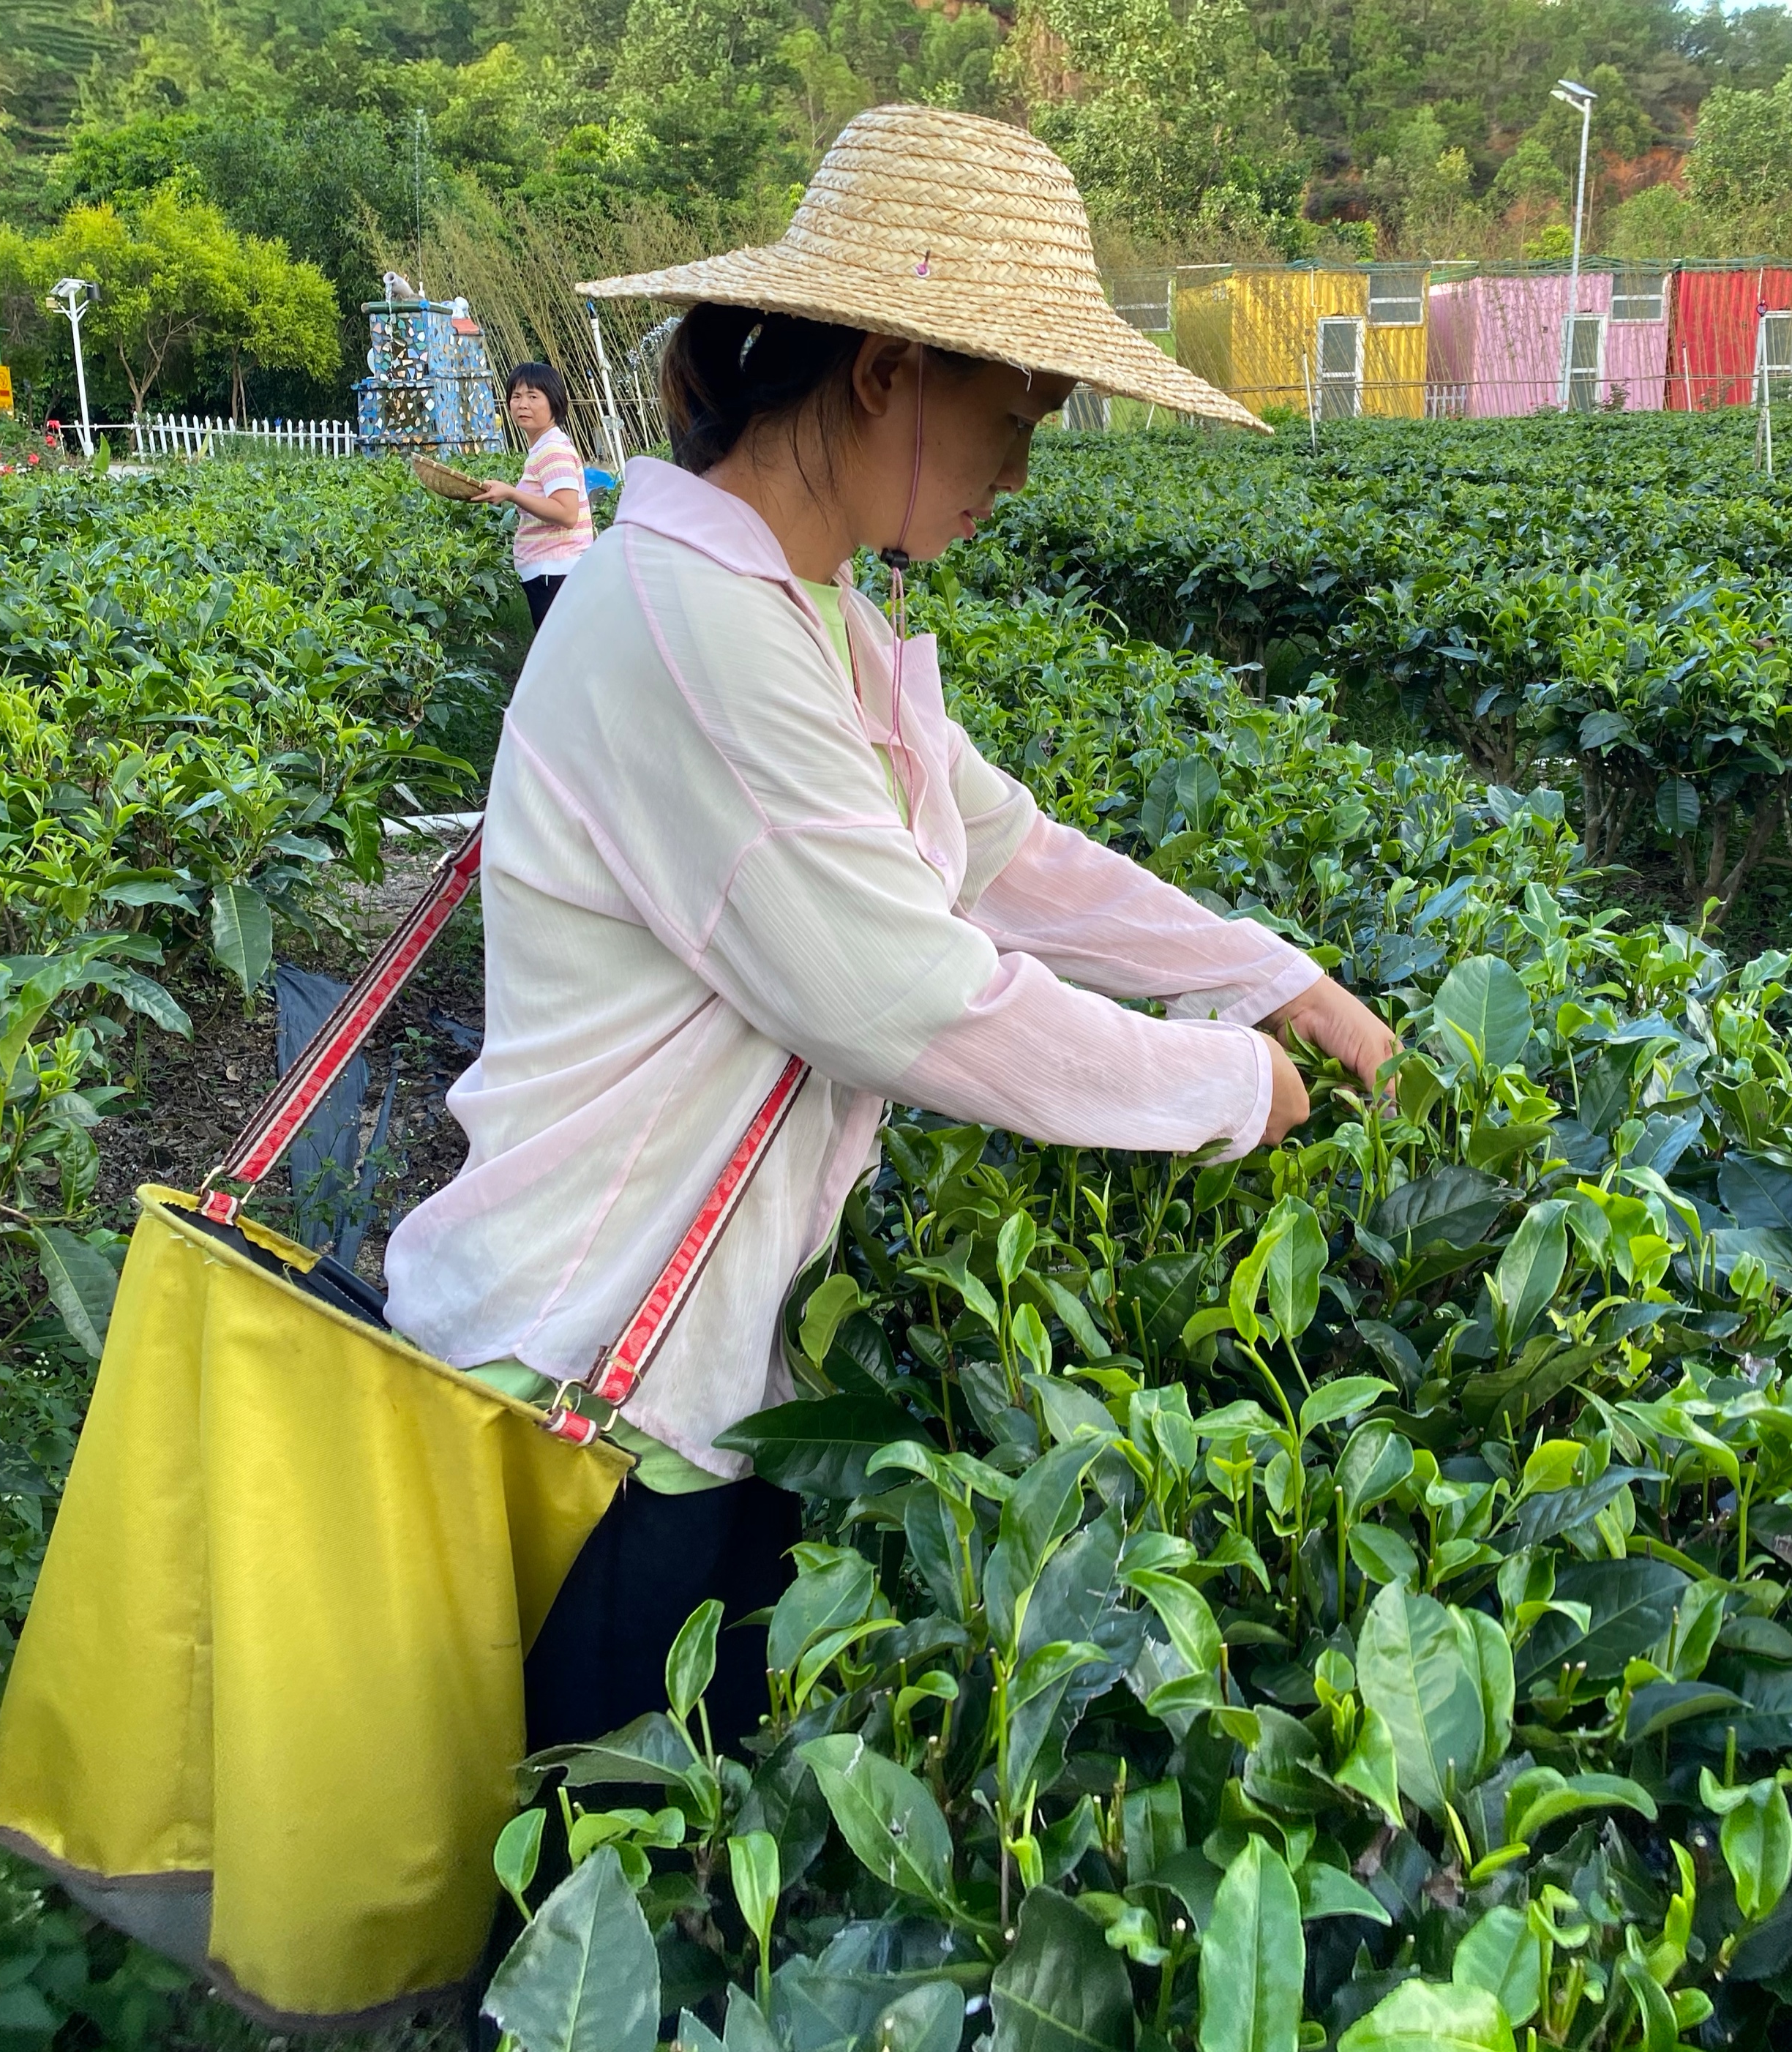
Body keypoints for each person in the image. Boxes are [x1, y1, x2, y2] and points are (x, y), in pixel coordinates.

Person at [383, 103, 1400, 1780]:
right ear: (882, 373)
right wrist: (1232, 1085)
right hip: (591, 1370)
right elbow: (908, 999)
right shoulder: (691, 620)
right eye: (1009, 417)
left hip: (706, 1360)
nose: (1018, 469)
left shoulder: (810, 615)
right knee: (595, 1874)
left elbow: (1010, 857)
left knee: (700, 1827)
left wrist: (1275, 978)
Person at [479, 361, 596, 626]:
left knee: (561, 661)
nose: (523, 404)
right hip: (551, 573)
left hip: (556, 574)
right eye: (516, 396)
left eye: (533, 396)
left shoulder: (553, 450)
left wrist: (511, 493)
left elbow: (566, 513)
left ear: (554, 402)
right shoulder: (544, 446)